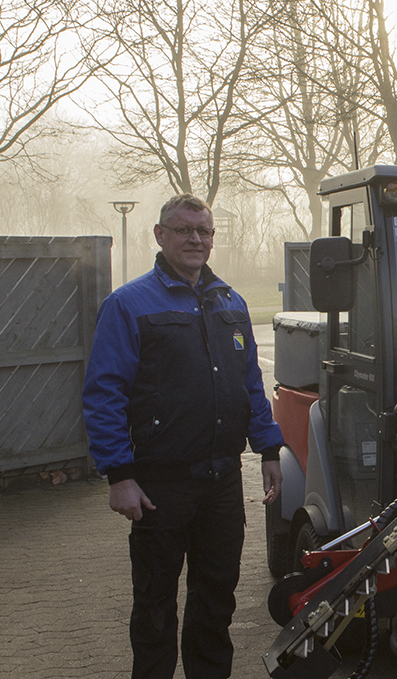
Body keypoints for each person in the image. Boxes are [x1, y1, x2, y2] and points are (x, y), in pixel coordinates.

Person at [82, 194, 284, 679]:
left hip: (221, 484)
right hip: (159, 486)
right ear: (160, 235)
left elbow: (249, 384)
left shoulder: (230, 303)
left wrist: (269, 448)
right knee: (154, 604)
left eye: (204, 231)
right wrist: (119, 475)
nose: (196, 239)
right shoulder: (128, 305)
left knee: (216, 600)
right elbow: (103, 393)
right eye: (184, 229)